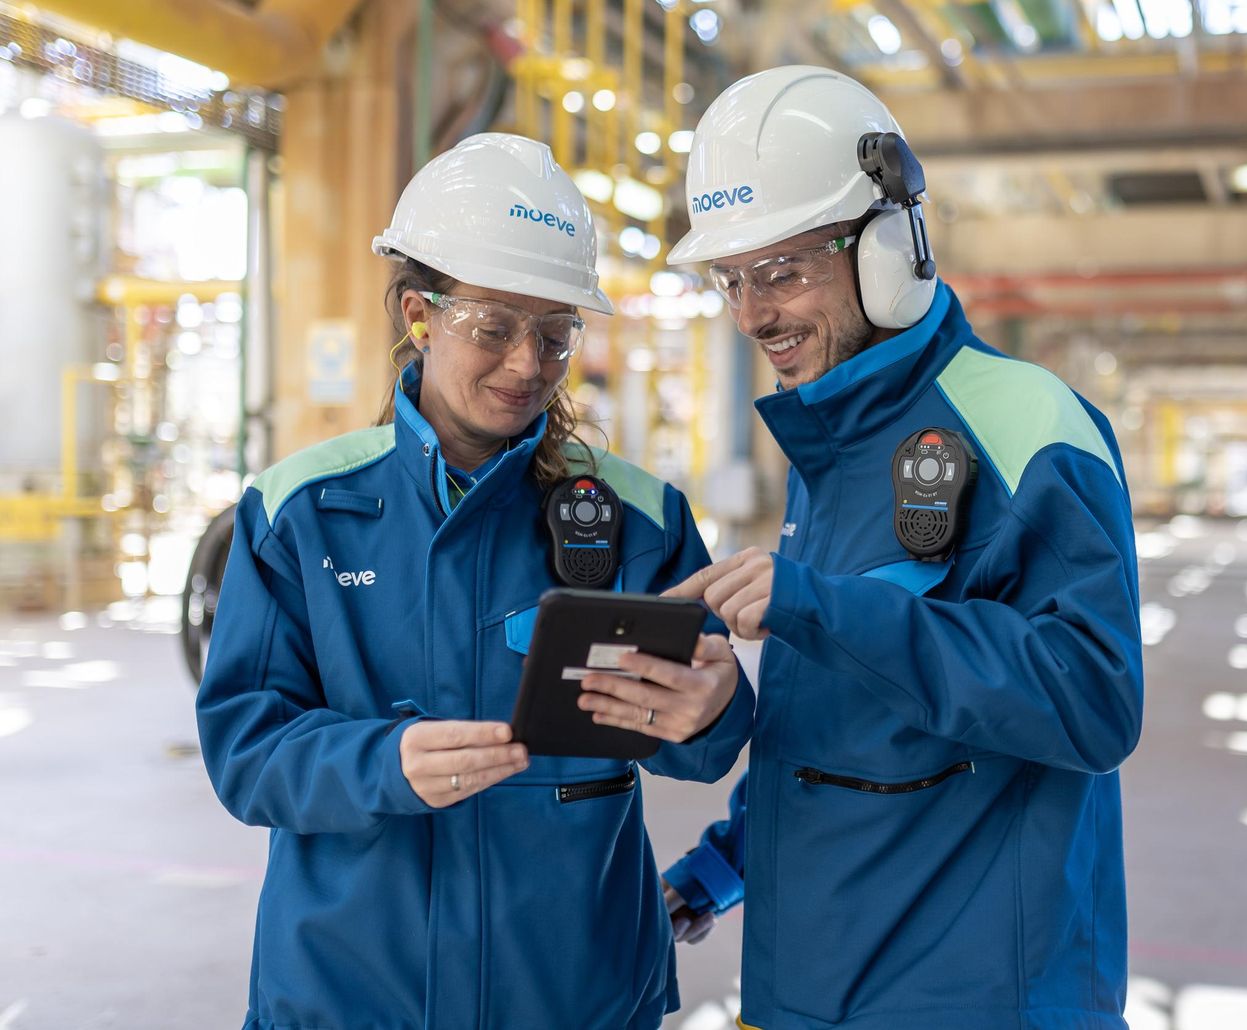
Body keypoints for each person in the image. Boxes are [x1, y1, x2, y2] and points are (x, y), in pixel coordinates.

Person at [195, 133, 754, 1030]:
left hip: (576, 993)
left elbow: (696, 749)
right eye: (494, 328)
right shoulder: (300, 512)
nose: (527, 365)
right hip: (353, 994)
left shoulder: (639, 519)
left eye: (555, 336)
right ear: (419, 313)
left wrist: (716, 710)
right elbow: (246, 754)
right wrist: (380, 761)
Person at [649, 66, 1145, 1029]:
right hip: (802, 999)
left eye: (783, 270)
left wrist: (824, 609)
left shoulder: (1027, 426)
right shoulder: (830, 452)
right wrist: (714, 872)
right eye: (731, 281)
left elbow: (1094, 702)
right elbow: (850, 732)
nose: (752, 316)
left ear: (891, 248)